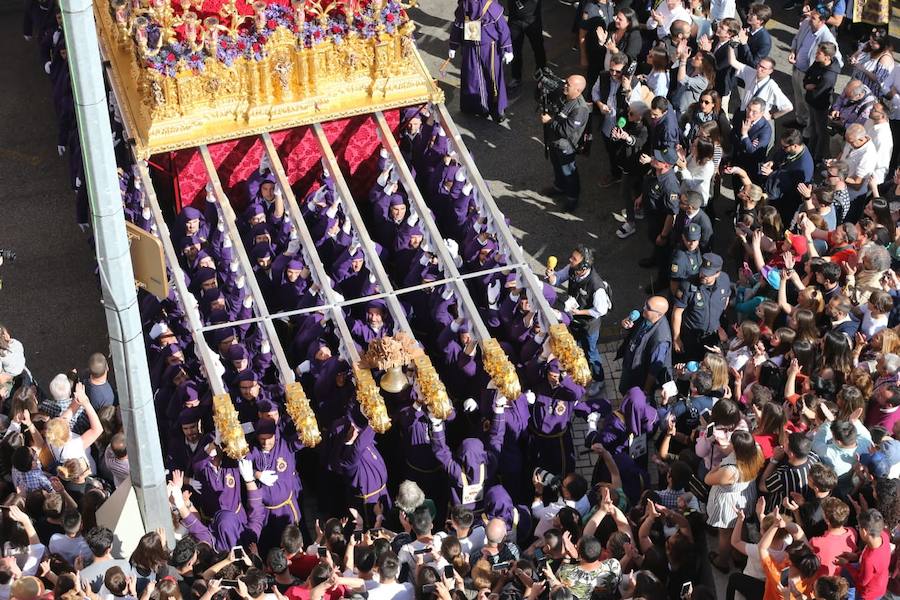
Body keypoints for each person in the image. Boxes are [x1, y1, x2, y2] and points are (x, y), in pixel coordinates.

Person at [545, 246, 611, 384]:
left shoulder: (596, 285)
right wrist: (551, 276)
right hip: (573, 321)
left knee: (591, 354)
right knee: (574, 347)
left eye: (574, 259)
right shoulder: (572, 268)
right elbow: (558, 279)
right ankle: (577, 373)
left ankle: (599, 381)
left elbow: (601, 310)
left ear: (584, 266)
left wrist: (580, 312)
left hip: (588, 326)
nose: (570, 260)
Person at [448, 0, 513, 122]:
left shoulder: (491, 5)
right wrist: (453, 45)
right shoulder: (465, 4)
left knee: (493, 79)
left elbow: (502, 28)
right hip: (470, 47)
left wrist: (508, 49)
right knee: (472, 77)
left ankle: (497, 110)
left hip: (489, 47)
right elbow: (458, 25)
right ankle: (477, 107)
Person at [788, 6, 842, 132]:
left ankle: (807, 131)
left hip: (808, 75)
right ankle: (800, 122)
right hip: (797, 69)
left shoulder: (828, 38)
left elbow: (838, 61)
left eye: (813, 17)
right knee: (798, 99)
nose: (809, 18)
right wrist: (793, 51)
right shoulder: (806, 23)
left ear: (822, 21)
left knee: (807, 104)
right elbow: (797, 39)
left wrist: (820, 77)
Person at [541, 75, 589, 212]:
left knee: (569, 172)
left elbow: (566, 131)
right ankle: (559, 187)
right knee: (557, 166)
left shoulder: (580, 109)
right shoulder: (564, 96)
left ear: (578, 90)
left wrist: (550, 121)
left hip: (565, 147)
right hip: (554, 142)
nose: (565, 86)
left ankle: (572, 198)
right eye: (565, 82)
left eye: (568, 84)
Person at [672, 253, 731, 361]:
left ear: (717, 273)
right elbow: (677, 312)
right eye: (702, 271)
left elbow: (726, 299)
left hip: (713, 335)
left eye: (707, 274)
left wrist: (719, 323)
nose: (703, 275)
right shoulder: (687, 285)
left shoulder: (724, 280)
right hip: (692, 336)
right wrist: (676, 338)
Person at [617, 295, 672, 394]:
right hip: (630, 364)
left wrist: (646, 391)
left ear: (659, 315)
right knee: (624, 390)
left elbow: (653, 369)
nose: (644, 308)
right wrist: (626, 323)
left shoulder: (660, 339)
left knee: (634, 398)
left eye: (648, 308)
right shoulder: (647, 315)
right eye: (645, 304)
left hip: (639, 377)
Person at [804, 42, 841, 161]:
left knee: (820, 131)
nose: (816, 54)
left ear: (827, 57)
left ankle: (817, 156)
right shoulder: (818, 62)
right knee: (814, 127)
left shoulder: (828, 76)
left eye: (819, 52)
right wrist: (807, 85)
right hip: (812, 101)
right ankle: (810, 149)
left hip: (820, 105)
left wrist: (811, 86)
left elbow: (819, 92)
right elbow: (808, 75)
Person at [731, 98, 772, 185]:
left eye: (754, 112)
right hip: (737, 160)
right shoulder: (740, 116)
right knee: (736, 186)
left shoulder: (765, 129)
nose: (749, 114)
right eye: (748, 109)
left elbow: (754, 151)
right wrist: (749, 143)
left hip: (751, 166)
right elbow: (732, 135)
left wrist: (745, 135)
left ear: (761, 113)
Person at [507, 0, 545, 89]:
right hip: (514, 20)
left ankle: (542, 74)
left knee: (538, 47)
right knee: (515, 50)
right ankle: (516, 77)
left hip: (532, 20)